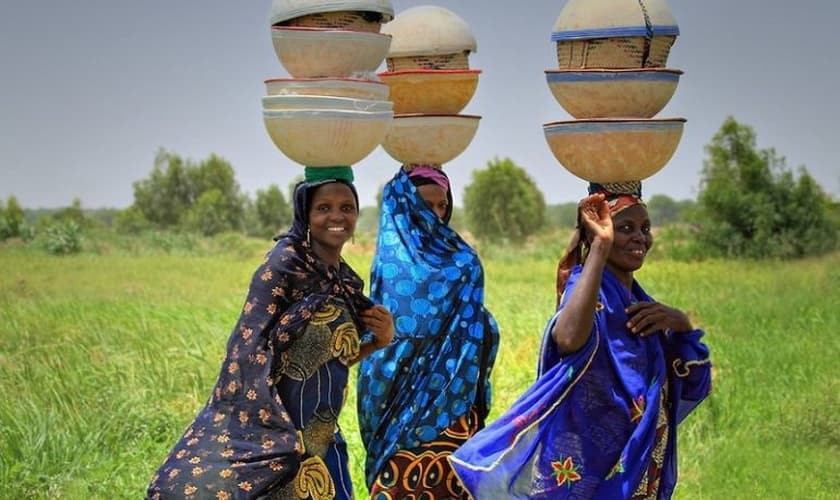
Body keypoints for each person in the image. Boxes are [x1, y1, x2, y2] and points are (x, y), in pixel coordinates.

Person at [449, 182, 712, 499]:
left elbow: (694, 383)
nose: (640, 237)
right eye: (625, 228)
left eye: (645, 228)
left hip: (634, 462)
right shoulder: (586, 291)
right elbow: (568, 338)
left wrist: (682, 324)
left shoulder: (643, 307)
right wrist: (600, 246)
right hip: (586, 465)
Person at [147, 167, 395, 500]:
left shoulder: (343, 281)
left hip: (322, 434)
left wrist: (379, 341)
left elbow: (326, 359)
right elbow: (249, 350)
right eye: (324, 208)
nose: (337, 216)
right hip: (282, 432)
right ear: (305, 214)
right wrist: (274, 432)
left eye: (346, 207)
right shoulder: (283, 265)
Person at [356, 165, 500, 499]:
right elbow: (382, 343)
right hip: (395, 405)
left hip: (453, 405)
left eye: (442, 205)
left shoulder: (464, 261)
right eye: (425, 205)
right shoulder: (391, 261)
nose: (435, 214)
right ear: (405, 205)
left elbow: (473, 326)